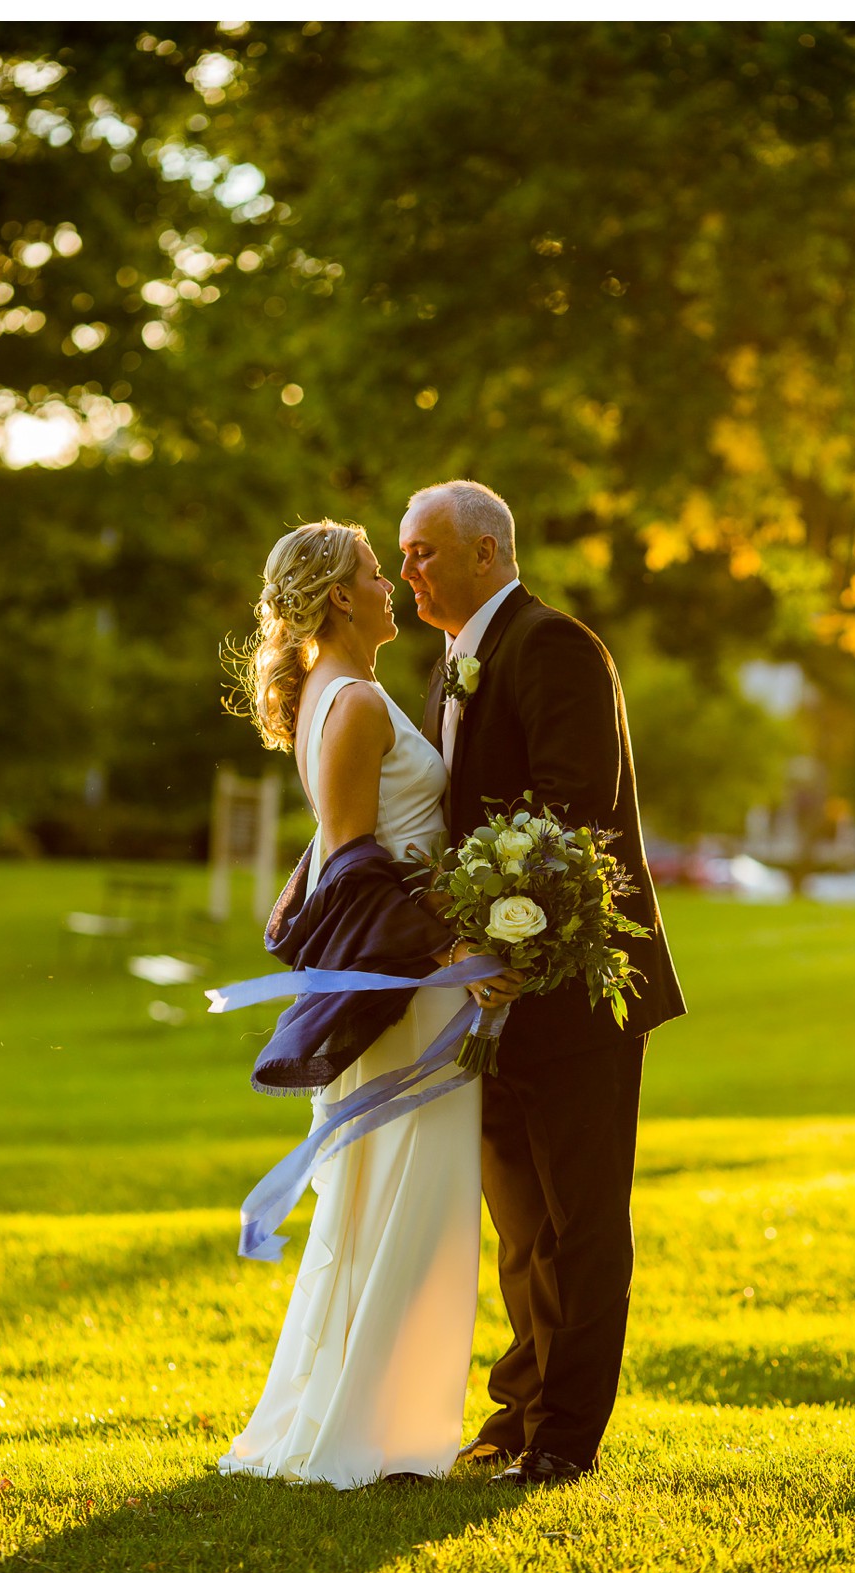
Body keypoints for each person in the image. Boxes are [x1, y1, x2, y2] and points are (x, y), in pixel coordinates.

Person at [216, 519, 519, 1490]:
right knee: (406, 1200)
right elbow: (354, 864)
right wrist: (458, 946)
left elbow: (341, 849)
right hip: (412, 992)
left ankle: (381, 1418)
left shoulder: (338, 695)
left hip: (415, 978)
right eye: (377, 574)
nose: (394, 586)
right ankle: (370, 1431)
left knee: (399, 1199)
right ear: (342, 597)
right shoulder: (348, 704)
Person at [400, 480, 687, 1487]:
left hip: (575, 989)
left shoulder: (555, 644)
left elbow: (579, 815)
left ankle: (567, 1436)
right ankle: (518, 1412)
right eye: (403, 553)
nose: (409, 572)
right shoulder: (446, 669)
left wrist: (515, 945)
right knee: (520, 1224)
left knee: (580, 1220)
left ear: (488, 550)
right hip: (484, 999)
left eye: (426, 551)